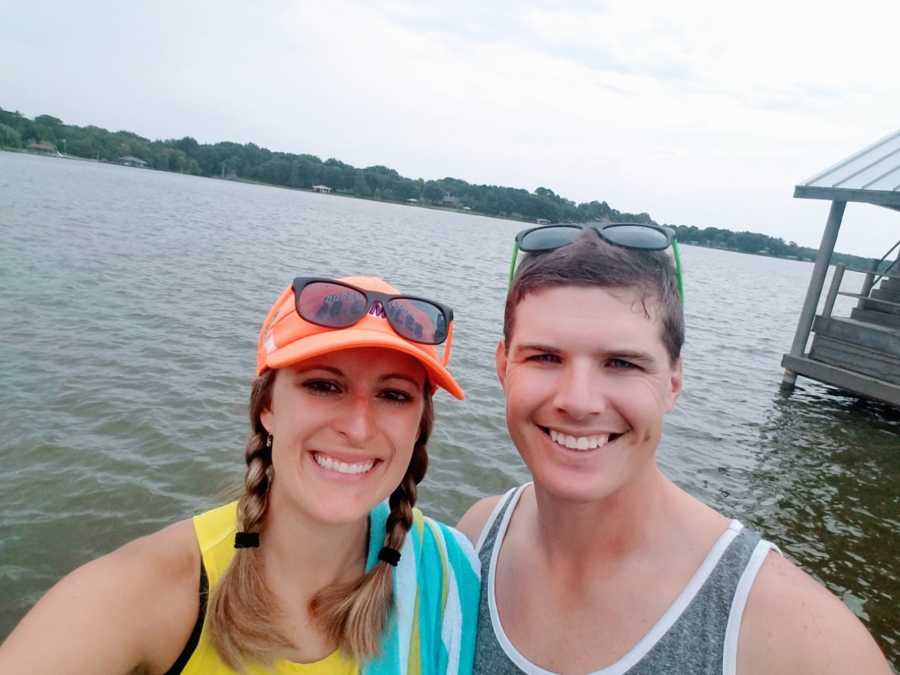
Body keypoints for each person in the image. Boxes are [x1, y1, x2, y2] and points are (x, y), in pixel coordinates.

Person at [457, 225, 890, 675]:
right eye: (545, 357)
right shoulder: (476, 538)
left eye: (622, 363)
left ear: (674, 382)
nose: (578, 401)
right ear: (503, 367)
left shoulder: (796, 634)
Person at [1, 275, 480, 675]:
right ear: (267, 407)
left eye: (394, 395)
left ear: (419, 423)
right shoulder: (144, 594)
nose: (357, 428)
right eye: (323, 385)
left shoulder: (449, 575)